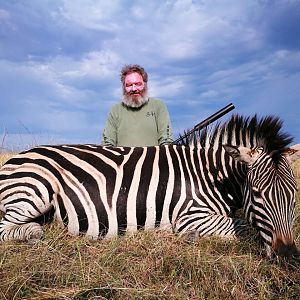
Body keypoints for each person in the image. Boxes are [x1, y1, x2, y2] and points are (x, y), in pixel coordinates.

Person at [102, 64, 173, 147]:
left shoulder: (159, 106)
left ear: (145, 84)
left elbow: (166, 141)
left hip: (154, 159)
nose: (133, 89)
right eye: (128, 85)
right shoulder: (115, 110)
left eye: (137, 84)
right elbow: (107, 144)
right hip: (122, 160)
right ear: (123, 87)